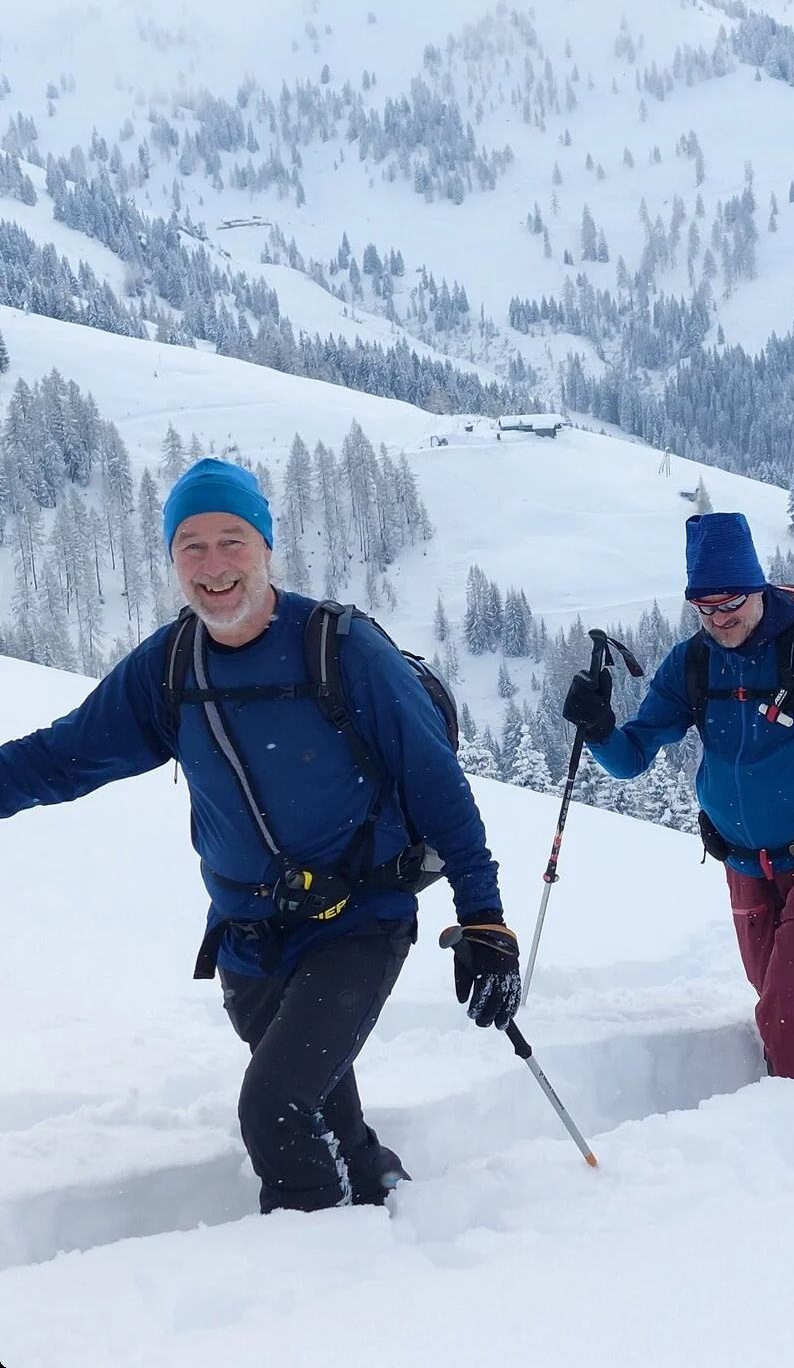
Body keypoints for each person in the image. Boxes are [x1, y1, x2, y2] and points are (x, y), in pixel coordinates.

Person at [0, 458, 520, 1213]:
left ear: (266, 546)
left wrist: (485, 916)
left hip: (358, 923)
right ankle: (384, 1197)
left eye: (231, 541)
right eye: (192, 546)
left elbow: (438, 787)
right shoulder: (169, 667)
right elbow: (63, 756)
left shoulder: (341, 650)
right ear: (172, 559)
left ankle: (314, 1270)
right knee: (323, 1113)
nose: (214, 567)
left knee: (275, 1107)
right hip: (249, 942)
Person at [562, 512, 794, 1079]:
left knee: (789, 1006)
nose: (720, 619)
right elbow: (631, 757)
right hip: (744, 862)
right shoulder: (692, 664)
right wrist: (598, 729)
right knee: (774, 998)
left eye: (731, 603)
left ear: (758, 587)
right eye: (705, 607)